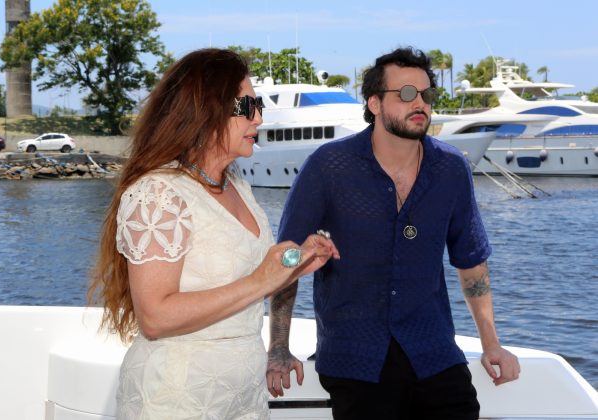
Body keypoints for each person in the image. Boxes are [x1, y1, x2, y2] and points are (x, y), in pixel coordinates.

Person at [266, 46, 520, 419]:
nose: (420, 103)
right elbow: (286, 258)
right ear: (374, 103)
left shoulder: (451, 168)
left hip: (433, 354)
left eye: (426, 94)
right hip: (355, 358)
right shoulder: (328, 166)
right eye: (406, 94)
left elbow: (472, 263)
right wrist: (278, 349)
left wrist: (491, 344)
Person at [88, 48, 339, 420]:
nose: (259, 117)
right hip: (176, 400)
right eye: (247, 107)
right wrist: (261, 280)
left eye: (258, 106)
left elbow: (242, 276)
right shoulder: (159, 194)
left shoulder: (238, 187)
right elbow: (155, 317)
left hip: (244, 399)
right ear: (206, 111)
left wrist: (294, 264)